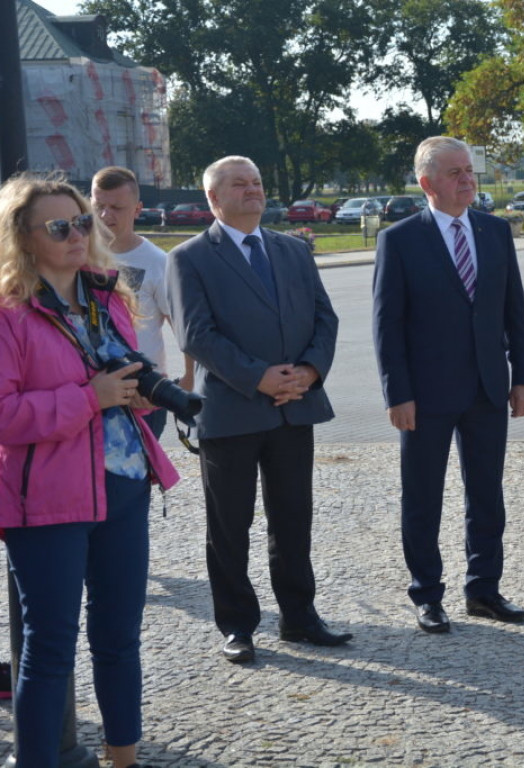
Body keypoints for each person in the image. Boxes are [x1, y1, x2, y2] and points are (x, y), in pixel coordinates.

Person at [0, 174, 179, 768]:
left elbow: (122, 383)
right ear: (23, 238)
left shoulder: (107, 295)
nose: (79, 234)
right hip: (47, 503)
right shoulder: (8, 315)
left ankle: (123, 760)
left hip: (124, 489)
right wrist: (90, 397)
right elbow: (4, 416)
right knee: (50, 650)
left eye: (82, 222)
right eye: (60, 227)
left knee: (119, 640)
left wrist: (142, 397)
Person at [166, 156, 347, 663]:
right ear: (213, 198)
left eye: (257, 182)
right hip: (231, 412)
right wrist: (258, 377)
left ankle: (299, 617)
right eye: (239, 184)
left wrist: (308, 373)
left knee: (293, 518)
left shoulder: (293, 249)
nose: (253, 190)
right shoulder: (190, 257)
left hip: (294, 407)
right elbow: (195, 334)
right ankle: (238, 625)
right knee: (230, 524)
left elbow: (323, 317)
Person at [372, 136, 524, 634]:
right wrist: (397, 393)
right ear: (427, 183)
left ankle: (484, 589)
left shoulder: (494, 231)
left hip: (487, 387)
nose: (468, 180)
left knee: (486, 493)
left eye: (470, 171)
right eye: (455, 173)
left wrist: (523, 376)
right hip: (425, 394)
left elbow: (515, 310)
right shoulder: (400, 239)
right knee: (423, 497)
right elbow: (387, 323)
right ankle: (427, 594)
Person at [91, 166, 194, 438]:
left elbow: (183, 329)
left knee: (136, 480)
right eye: (98, 205)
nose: (105, 215)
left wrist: (187, 381)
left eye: (116, 207)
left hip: (142, 396)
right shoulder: (75, 256)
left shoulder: (159, 262)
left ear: (137, 210)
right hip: (89, 392)